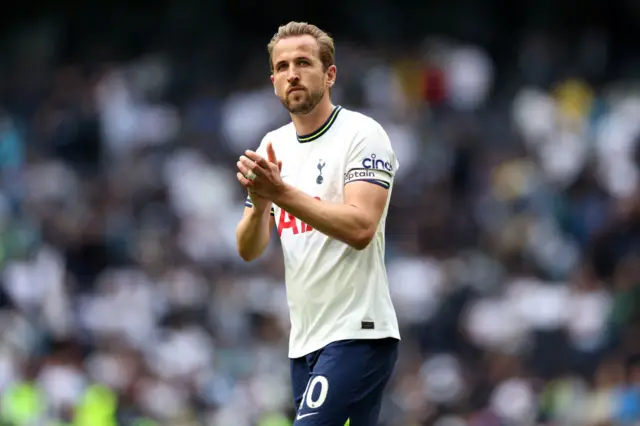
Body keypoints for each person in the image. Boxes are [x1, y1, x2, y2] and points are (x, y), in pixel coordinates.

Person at [235, 21, 400, 426]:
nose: (293, 73)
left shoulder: (362, 134)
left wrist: (280, 193)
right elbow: (249, 249)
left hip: (359, 333)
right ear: (273, 81)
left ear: (329, 75)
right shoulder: (272, 146)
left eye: (304, 62)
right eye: (283, 66)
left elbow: (361, 227)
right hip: (305, 341)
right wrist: (258, 205)